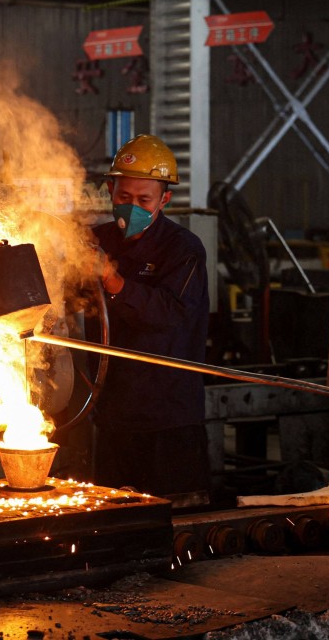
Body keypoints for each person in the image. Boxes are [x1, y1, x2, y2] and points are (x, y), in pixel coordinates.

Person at [89, 134, 212, 505]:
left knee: (174, 515)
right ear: (111, 189)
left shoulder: (183, 249)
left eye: (144, 200)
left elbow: (172, 314)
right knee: (112, 512)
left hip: (168, 414)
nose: (132, 207)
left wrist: (115, 283)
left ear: (164, 199)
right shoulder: (95, 240)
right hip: (111, 408)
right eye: (124, 198)